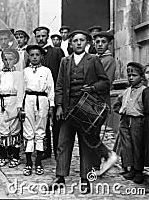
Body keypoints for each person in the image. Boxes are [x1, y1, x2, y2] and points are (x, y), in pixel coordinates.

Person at [49, 30, 111, 194]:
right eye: (75, 40)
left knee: (86, 145)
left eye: (81, 40)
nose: (78, 43)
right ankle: (60, 176)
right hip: (68, 111)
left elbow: (105, 82)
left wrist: (92, 88)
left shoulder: (94, 60)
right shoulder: (65, 61)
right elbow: (60, 86)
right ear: (70, 43)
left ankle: (85, 179)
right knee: (63, 143)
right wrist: (59, 106)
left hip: (86, 110)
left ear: (87, 43)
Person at [32, 26, 65, 160]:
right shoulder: (34, 53)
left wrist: (60, 94)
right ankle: (45, 150)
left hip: (55, 92)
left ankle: (59, 152)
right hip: (40, 95)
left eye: (43, 36)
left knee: (57, 124)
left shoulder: (56, 51)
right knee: (42, 123)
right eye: (38, 36)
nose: (41, 39)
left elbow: (62, 73)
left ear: (48, 37)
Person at [112, 62, 147, 184]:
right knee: (127, 145)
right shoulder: (126, 91)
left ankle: (138, 171)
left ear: (141, 77)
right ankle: (130, 168)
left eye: (134, 75)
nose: (131, 78)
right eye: (129, 75)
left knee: (137, 146)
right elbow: (117, 104)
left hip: (137, 121)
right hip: (125, 120)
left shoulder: (144, 91)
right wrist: (120, 110)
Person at [22, 45, 54, 176]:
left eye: (37, 55)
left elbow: (51, 88)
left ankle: (39, 162)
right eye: (32, 55)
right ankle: (29, 162)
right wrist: (21, 106)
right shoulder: (25, 71)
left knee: (40, 131)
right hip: (29, 99)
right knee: (28, 130)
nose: (34, 57)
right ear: (28, 57)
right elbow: (22, 88)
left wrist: (51, 105)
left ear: (42, 56)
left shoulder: (46, 71)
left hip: (42, 100)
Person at [0, 48, 24, 168]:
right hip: (2, 102)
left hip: (14, 101)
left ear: (15, 60)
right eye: (5, 59)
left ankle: (15, 156)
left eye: (10, 59)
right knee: (2, 128)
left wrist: (20, 106)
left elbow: (21, 91)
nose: (7, 62)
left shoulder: (19, 74)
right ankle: (3, 156)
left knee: (14, 128)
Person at [92, 30, 117, 172]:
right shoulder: (95, 58)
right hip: (92, 101)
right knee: (91, 133)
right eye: (97, 42)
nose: (100, 45)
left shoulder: (109, 60)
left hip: (100, 102)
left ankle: (107, 155)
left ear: (109, 44)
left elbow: (104, 82)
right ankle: (96, 164)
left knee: (92, 133)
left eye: (103, 42)